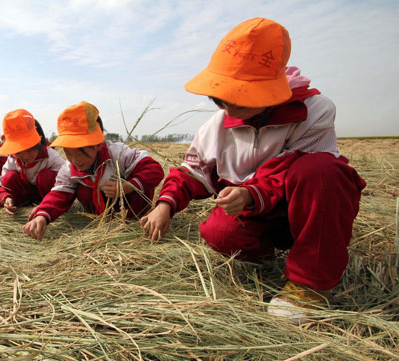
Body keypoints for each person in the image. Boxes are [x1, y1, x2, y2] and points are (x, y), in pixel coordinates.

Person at [140, 17, 366, 324]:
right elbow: (192, 172)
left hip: (303, 208)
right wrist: (165, 205)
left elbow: (292, 171)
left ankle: (310, 284)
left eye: (240, 101)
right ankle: (271, 262)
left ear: (271, 90)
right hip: (259, 216)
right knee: (218, 231)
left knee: (322, 172)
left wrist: (250, 192)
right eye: (221, 100)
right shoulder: (217, 125)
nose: (229, 111)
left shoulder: (313, 112)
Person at [23, 101, 165, 242]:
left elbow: (155, 170)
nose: (76, 160)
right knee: (83, 191)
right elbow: (59, 193)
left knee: (144, 184)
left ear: (97, 144)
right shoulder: (68, 168)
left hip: (129, 208)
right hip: (98, 213)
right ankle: (102, 221)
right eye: (68, 152)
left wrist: (126, 187)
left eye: (81, 151)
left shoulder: (118, 154)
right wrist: (43, 214)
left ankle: (132, 224)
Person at [0, 109, 65, 215]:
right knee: (9, 177)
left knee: (44, 176)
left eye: (30, 150)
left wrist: (47, 203)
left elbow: (67, 179)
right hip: (26, 197)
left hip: (50, 197)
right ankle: (19, 206)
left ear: (38, 142)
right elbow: (1, 182)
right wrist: (6, 197)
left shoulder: (49, 155)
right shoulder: (13, 159)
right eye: (19, 152)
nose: (25, 156)